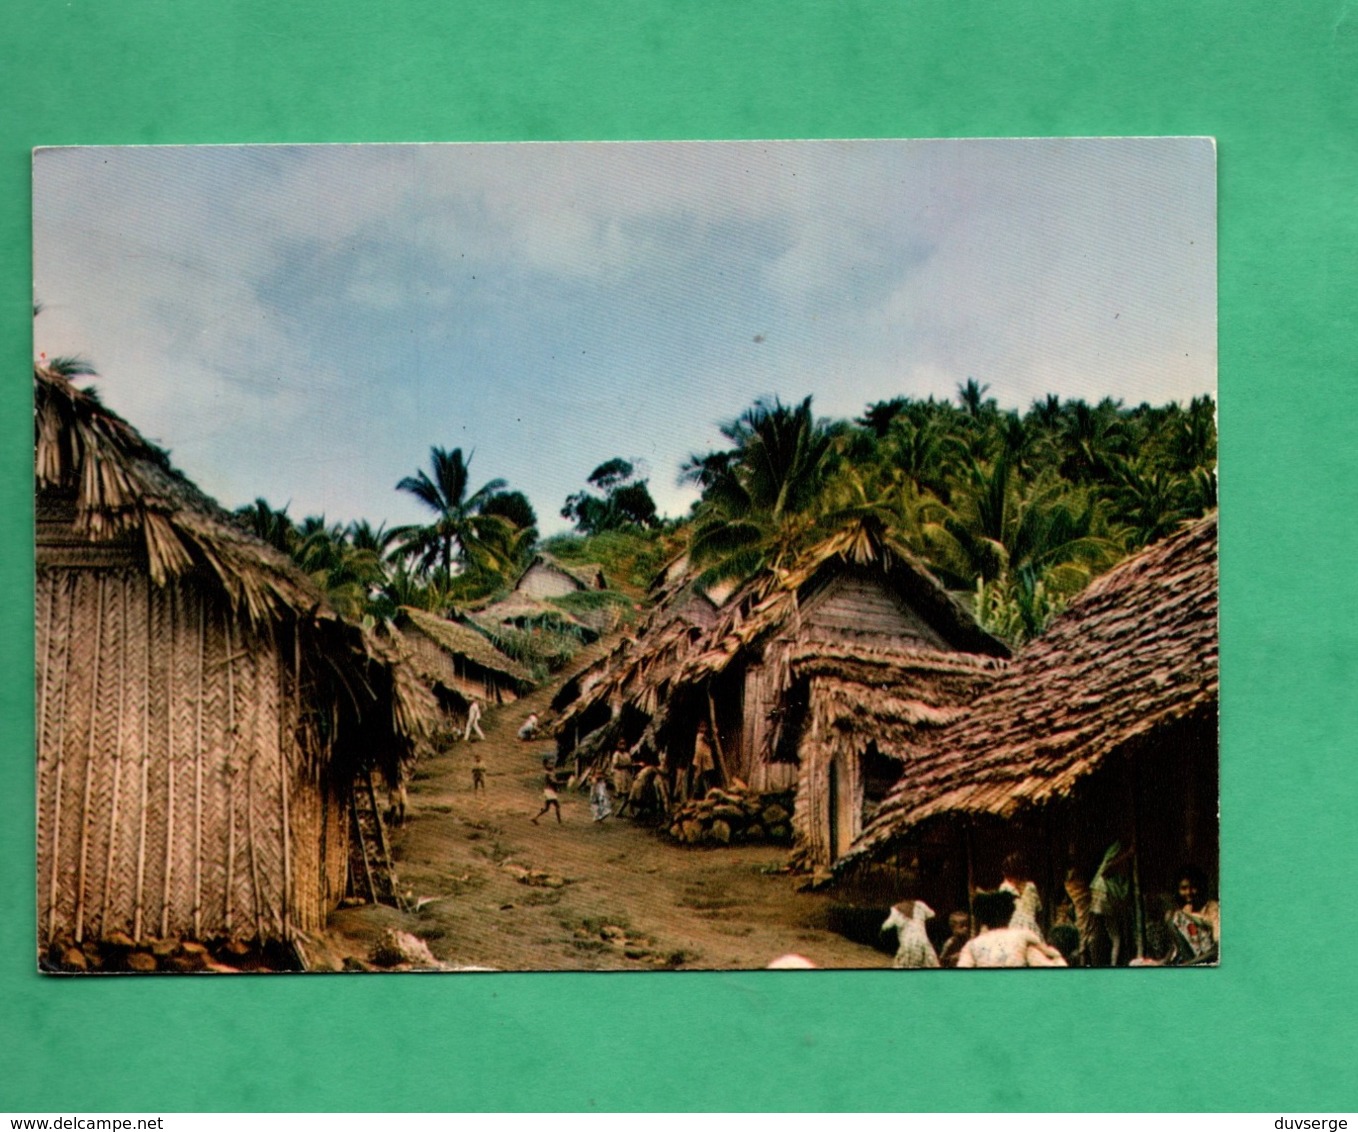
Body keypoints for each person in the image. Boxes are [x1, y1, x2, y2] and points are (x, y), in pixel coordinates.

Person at [955, 890, 1067, 968]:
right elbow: (1045, 964)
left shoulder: (972, 945)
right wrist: (1057, 957)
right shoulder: (1023, 936)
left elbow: (961, 976)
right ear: (1009, 915)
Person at [1165, 865, 1219, 965]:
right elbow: (1177, 947)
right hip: (1189, 960)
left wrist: (1189, 964)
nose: (1189, 892)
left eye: (1193, 887)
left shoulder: (1213, 909)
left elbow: (1217, 949)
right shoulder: (1180, 914)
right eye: (1184, 888)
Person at [881, 900, 940, 968]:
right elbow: (932, 914)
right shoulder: (920, 905)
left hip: (908, 943)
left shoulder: (896, 909)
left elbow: (888, 924)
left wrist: (882, 929)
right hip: (923, 940)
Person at [1000, 852, 1043, 940]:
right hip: (1029, 930)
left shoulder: (1005, 888)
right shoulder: (1030, 886)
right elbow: (1039, 910)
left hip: (1015, 931)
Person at [688, 721, 716, 800]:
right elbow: (710, 741)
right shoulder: (701, 736)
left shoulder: (700, 736)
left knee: (703, 778)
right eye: (701, 727)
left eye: (704, 727)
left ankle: (704, 795)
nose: (703, 729)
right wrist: (715, 734)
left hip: (700, 760)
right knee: (699, 778)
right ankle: (694, 796)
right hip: (700, 760)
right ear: (698, 728)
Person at [531, 759, 562, 824]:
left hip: (548, 791)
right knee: (557, 806)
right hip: (550, 791)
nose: (552, 765)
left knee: (547, 808)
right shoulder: (549, 774)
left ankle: (535, 817)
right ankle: (559, 822)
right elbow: (553, 782)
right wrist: (561, 782)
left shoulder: (548, 773)